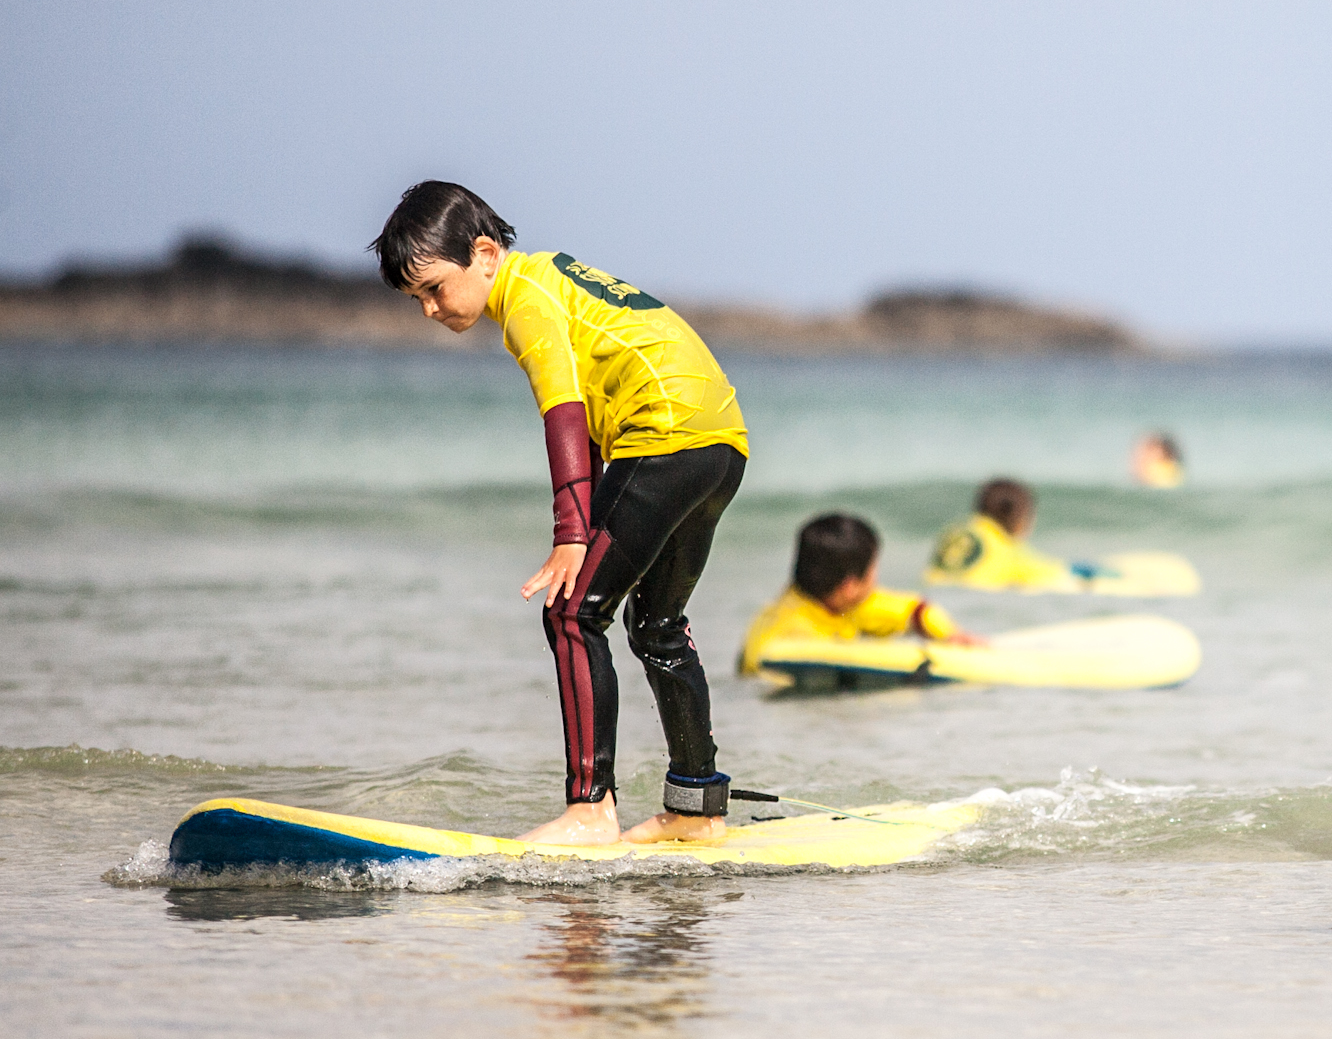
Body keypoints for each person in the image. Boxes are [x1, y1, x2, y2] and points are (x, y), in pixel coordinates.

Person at [373, 181, 748, 847]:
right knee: (657, 623)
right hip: (720, 441)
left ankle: (591, 808)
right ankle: (697, 809)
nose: (430, 308)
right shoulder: (555, 280)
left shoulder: (524, 296)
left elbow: (564, 413)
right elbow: (604, 404)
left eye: (434, 287)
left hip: (664, 432)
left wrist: (571, 534)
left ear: (485, 253)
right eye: (416, 299)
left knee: (571, 609)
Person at [740, 513, 982, 676]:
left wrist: (950, 636)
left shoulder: (842, 604)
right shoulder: (788, 631)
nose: (876, 581)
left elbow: (915, 610)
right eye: (873, 571)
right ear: (850, 586)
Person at [926, 478, 1073, 589]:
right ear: (1020, 522)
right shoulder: (1006, 545)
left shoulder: (955, 530)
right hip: (975, 598)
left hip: (935, 595)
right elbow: (1048, 574)